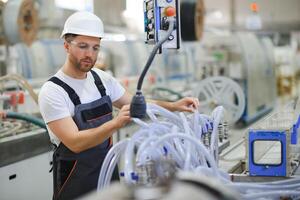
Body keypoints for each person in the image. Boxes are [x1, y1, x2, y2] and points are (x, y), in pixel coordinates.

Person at [38, 11, 199, 200]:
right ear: (66, 45)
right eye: (82, 46)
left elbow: (135, 104)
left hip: (107, 170)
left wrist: (174, 105)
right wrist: (115, 123)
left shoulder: (101, 79)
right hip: (75, 181)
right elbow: (75, 142)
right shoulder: (53, 91)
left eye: (95, 48)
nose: (90, 54)